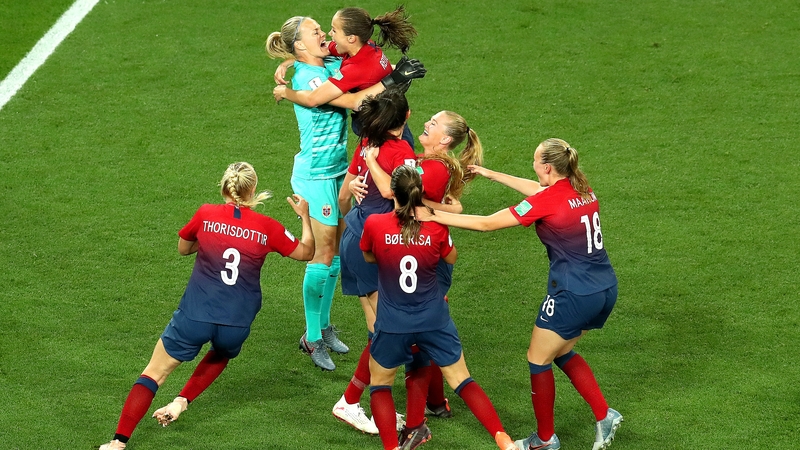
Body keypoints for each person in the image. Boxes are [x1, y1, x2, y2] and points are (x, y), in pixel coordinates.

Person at [417, 138, 623, 450]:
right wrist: (493, 175)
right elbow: (541, 192)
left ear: (548, 167)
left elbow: (487, 224)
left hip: (573, 294)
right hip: (605, 288)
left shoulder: (548, 200)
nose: (533, 165)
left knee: (538, 359)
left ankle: (545, 439)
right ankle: (603, 414)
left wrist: (433, 215)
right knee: (561, 351)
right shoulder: (581, 188)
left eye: (535, 161)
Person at [98, 162, 315, 450]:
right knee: (222, 351)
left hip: (195, 316)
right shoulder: (267, 227)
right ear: (252, 190)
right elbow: (306, 252)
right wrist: (305, 217)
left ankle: (117, 443)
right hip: (236, 321)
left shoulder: (206, 214)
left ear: (224, 187)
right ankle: (181, 401)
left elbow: (183, 248)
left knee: (154, 373)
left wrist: (210, 241)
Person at [362, 164, 517, 450]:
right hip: (433, 319)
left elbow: (369, 257)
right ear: (419, 193)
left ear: (392, 194)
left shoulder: (374, 224)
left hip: (393, 322)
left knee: (381, 385)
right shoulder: (436, 227)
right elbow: (451, 257)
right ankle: (504, 440)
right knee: (462, 380)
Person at [348, 110, 485, 429]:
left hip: (426, 257)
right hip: (422, 249)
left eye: (433, 124)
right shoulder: (427, 161)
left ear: (446, 139)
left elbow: (396, 192)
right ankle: (434, 403)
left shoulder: (434, 168)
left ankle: (390, 412)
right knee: (419, 335)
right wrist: (358, 179)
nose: (426, 124)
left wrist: (370, 163)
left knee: (406, 334)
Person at [329, 87, 418, 434]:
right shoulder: (402, 150)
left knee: (378, 329)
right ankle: (355, 402)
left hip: (354, 237)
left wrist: (354, 213)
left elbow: (343, 196)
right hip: (373, 245)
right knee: (389, 330)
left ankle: (359, 402)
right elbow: (397, 195)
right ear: (407, 117)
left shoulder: (367, 142)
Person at [266, 16, 351, 371]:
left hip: (339, 170)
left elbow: (348, 56)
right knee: (323, 251)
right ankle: (312, 337)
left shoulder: (327, 63)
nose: (323, 34)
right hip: (315, 175)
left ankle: (324, 326)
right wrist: (292, 67)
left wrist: (287, 60)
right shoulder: (307, 79)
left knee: (337, 251)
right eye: (315, 32)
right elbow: (345, 99)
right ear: (300, 44)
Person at [272, 6, 422, 150]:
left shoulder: (354, 68)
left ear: (351, 38)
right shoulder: (366, 46)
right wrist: (290, 61)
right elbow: (325, 47)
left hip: (381, 127)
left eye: (334, 30)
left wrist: (284, 92)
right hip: (393, 117)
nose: (328, 33)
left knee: (393, 165)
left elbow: (314, 99)